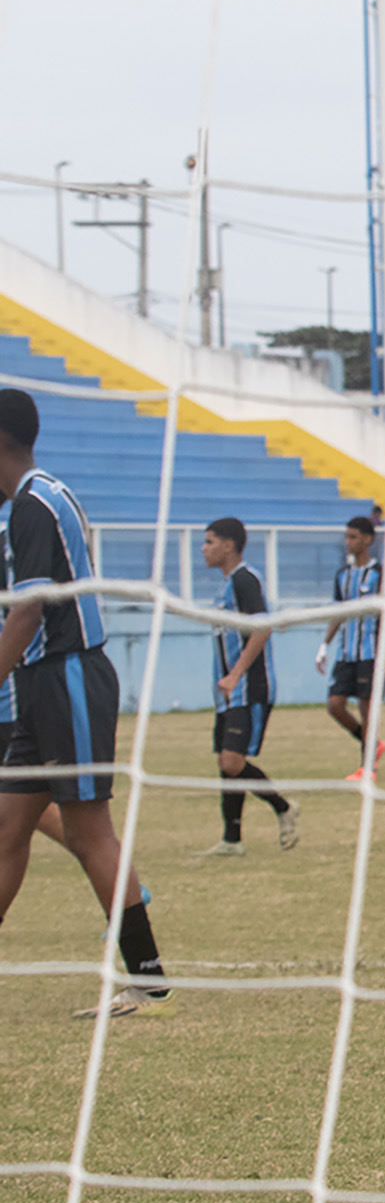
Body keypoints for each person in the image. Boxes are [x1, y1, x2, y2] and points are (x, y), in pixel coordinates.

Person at [0, 389, 174, 1018]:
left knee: (88, 828)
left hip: (66, 676)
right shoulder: (45, 494)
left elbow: (29, 610)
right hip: (45, 682)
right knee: (8, 826)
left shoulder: (32, 503)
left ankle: (151, 983)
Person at [198, 517, 298, 856]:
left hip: (249, 687)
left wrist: (236, 673)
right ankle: (232, 840)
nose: (203, 548)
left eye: (209, 542)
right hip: (228, 692)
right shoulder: (226, 585)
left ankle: (283, 807)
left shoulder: (245, 579)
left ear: (228, 546)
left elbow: (262, 628)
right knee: (226, 763)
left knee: (232, 762)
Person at [319, 516, 385, 781]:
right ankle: (372, 745)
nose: (348, 542)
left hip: (369, 652)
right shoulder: (343, 575)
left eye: (353, 537)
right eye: (346, 537)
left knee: (367, 709)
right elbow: (339, 612)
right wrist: (324, 644)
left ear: (367, 540)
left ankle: (367, 768)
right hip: (346, 653)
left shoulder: (379, 574)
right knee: (335, 705)